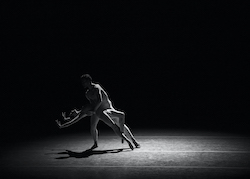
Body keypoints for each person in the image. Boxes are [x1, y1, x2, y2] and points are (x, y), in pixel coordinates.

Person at [57, 74, 140, 150]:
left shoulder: (97, 87)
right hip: (98, 110)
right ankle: (95, 143)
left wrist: (93, 110)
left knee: (119, 124)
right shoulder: (87, 93)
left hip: (107, 109)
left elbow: (100, 100)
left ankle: (133, 140)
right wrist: (77, 113)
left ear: (89, 81)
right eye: (82, 82)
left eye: (85, 82)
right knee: (92, 127)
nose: (83, 84)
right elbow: (91, 105)